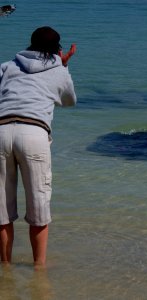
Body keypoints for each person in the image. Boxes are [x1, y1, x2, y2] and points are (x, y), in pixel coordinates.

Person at [0, 26, 77, 267]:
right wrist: (63, 66)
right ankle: (39, 270)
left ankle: (6, 269)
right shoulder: (59, 70)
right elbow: (68, 101)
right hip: (33, 133)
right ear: (58, 49)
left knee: (1, 210)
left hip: (1, 130)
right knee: (39, 207)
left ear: (30, 44)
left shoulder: (8, 66)